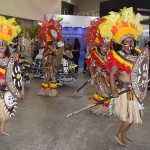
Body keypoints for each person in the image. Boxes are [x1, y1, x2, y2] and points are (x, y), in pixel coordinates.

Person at [103, 7, 144, 146]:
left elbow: (141, 71)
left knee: (134, 114)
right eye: (126, 42)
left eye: (131, 41)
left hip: (136, 90)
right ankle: (119, 134)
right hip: (125, 91)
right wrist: (113, 90)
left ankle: (123, 135)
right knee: (131, 115)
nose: (129, 44)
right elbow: (112, 73)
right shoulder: (117, 56)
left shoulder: (138, 54)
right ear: (122, 43)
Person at [0, 16, 24, 136]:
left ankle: (2, 130)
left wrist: (20, 87)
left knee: (5, 111)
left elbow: (17, 74)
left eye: (4, 43)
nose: (1, 46)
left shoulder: (10, 59)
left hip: (6, 90)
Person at [38, 16, 64, 97]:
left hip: (51, 64)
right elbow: (44, 56)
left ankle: (44, 90)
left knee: (48, 77)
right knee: (52, 77)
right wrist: (43, 64)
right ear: (52, 41)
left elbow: (54, 56)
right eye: (54, 41)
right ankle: (52, 92)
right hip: (48, 64)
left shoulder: (53, 48)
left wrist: (56, 58)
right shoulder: (49, 48)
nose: (55, 42)